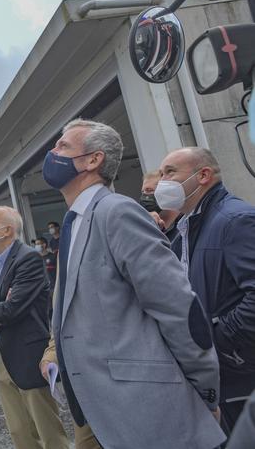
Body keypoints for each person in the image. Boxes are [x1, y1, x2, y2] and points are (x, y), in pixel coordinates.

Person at [42, 118, 224, 449]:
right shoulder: (77, 222)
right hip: (104, 410)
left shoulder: (117, 212)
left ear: (93, 160)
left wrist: (205, 392)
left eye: (63, 147)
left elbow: (178, 307)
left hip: (147, 412)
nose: (52, 153)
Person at [158, 147, 255, 433]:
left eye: (170, 172)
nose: (163, 181)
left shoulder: (235, 220)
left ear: (203, 175)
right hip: (219, 374)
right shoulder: (188, 225)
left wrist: (217, 341)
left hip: (239, 373)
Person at [0, 206, 68, 449]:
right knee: (19, 431)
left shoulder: (28, 258)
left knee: (47, 430)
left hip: (28, 355)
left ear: (8, 230)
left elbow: (12, 310)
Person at [140, 169, 180, 241]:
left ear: (168, 193)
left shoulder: (185, 227)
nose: (144, 196)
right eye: (143, 192)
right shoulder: (145, 228)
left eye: (149, 190)